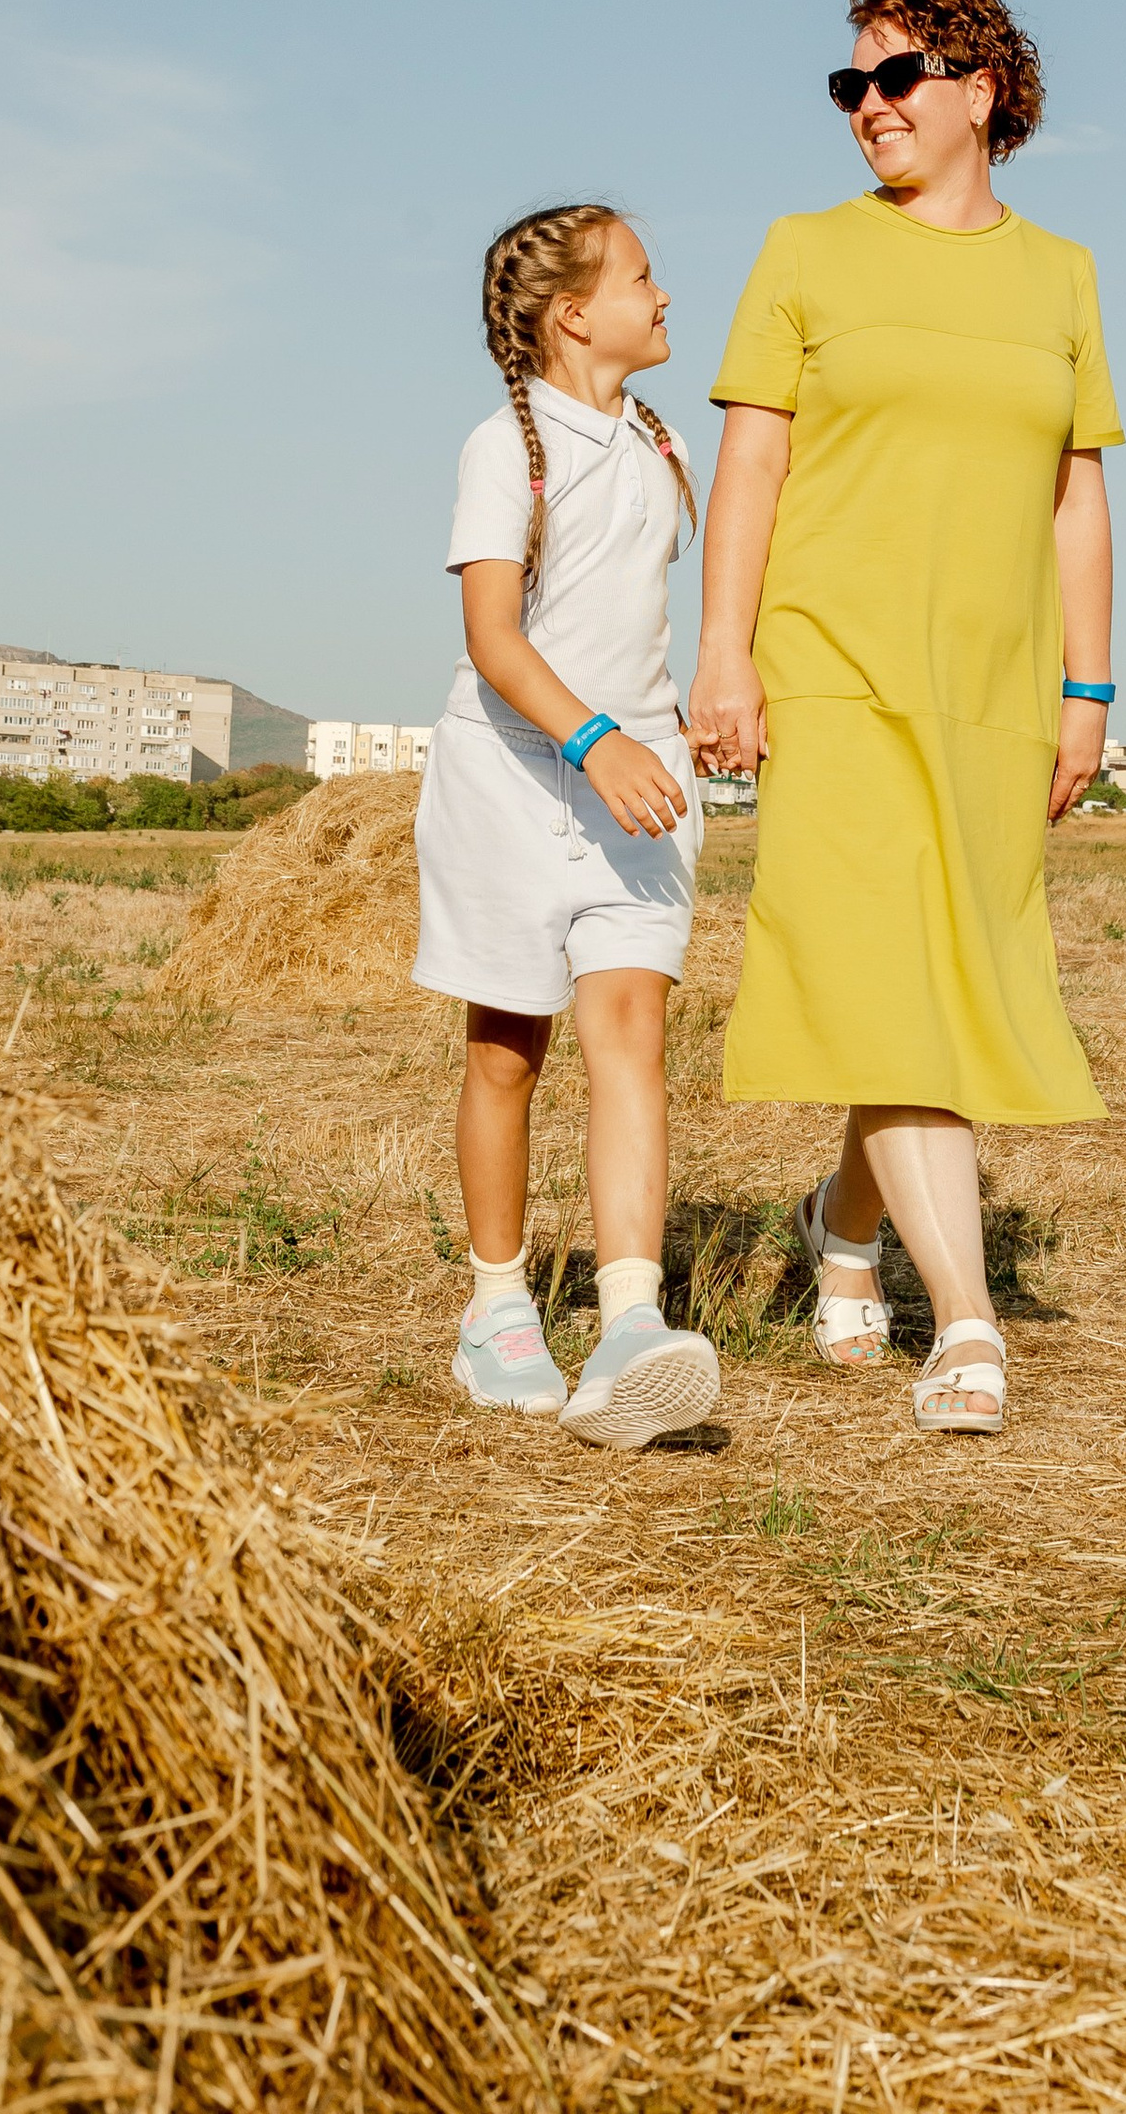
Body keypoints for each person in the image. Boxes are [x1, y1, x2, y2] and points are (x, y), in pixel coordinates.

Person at [688, 0, 1119, 1437]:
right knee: (891, 973)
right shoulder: (806, 251)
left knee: (942, 976)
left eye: (895, 77)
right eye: (849, 85)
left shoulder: (1062, 276)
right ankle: (971, 1325)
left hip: (993, 684)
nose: (866, 106)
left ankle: (843, 1221)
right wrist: (725, 652)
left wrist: (1086, 687)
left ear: (981, 93)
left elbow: (1076, 494)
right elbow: (752, 464)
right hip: (834, 666)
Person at [412, 201, 723, 1451]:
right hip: (514, 778)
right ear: (575, 313)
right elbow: (493, 639)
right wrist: (596, 741)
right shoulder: (504, 446)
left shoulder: (663, 441)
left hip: (639, 783)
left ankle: (631, 1325)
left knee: (632, 1028)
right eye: (644, 277)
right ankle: (497, 1311)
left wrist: (682, 721)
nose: (666, 295)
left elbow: (637, 620)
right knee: (506, 1051)